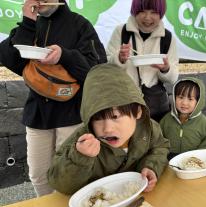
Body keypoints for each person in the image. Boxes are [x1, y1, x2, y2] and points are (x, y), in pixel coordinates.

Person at [0, 0, 107, 196]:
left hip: (72, 112)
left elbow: (97, 69)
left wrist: (64, 56)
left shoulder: (79, 24)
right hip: (37, 113)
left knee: (69, 174)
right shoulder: (31, 24)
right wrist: (27, 23)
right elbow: (9, 58)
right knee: (38, 175)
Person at [47, 64, 170, 195]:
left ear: (138, 112)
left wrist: (151, 166)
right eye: (98, 119)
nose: (107, 128)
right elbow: (60, 185)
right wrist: (80, 157)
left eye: (115, 116)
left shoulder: (148, 128)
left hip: (140, 198)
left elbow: (160, 147)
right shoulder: (82, 141)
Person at [106, 0, 179, 122]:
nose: (147, 17)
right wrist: (119, 58)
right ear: (135, 11)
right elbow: (107, 66)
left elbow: (173, 78)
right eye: (142, 11)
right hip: (123, 102)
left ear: (161, 13)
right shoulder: (121, 32)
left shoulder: (167, 38)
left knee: (152, 139)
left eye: (154, 12)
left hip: (153, 106)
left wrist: (165, 69)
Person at [160, 77, 206, 160]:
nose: (184, 103)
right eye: (180, 97)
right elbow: (158, 140)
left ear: (198, 101)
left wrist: (198, 155)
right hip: (169, 159)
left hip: (193, 161)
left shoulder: (203, 122)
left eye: (190, 99)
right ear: (174, 97)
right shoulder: (166, 120)